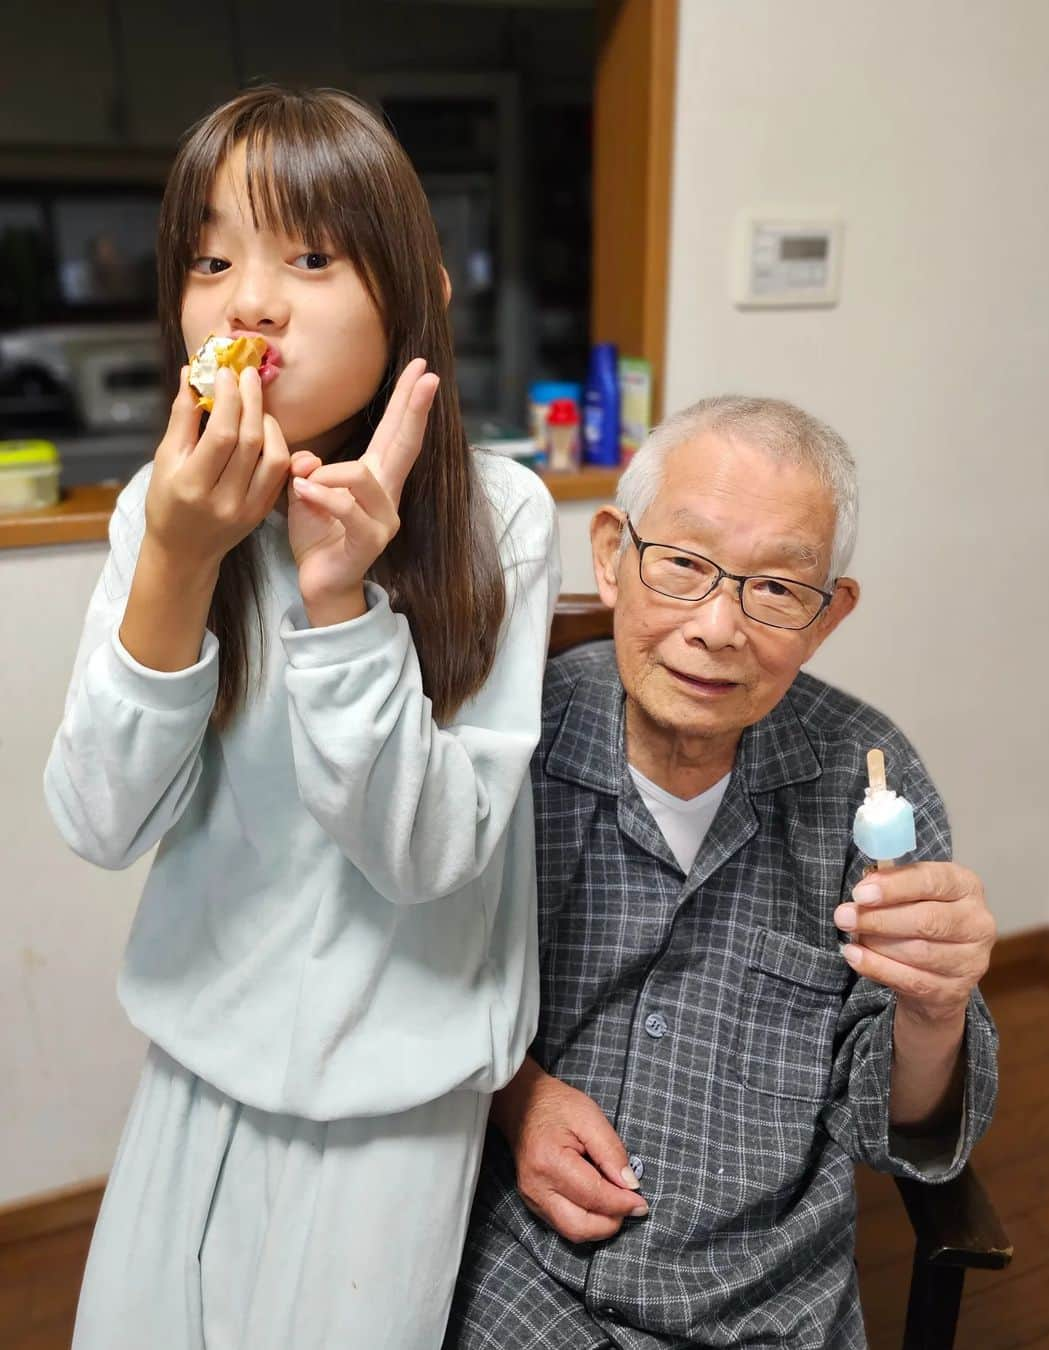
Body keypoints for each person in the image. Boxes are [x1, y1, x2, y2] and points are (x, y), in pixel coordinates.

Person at [45, 86, 559, 1350]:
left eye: (310, 258)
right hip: (198, 1057)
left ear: (414, 290)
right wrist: (174, 559)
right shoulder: (158, 515)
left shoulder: (500, 519)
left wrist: (341, 607)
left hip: (400, 1089)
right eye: (212, 259)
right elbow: (99, 825)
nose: (248, 301)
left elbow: (432, 855)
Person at [446, 396, 998, 1350]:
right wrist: (517, 1095)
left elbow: (894, 1125)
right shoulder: (506, 743)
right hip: (518, 1282)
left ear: (828, 617)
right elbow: (412, 983)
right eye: (686, 564)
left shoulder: (870, 783)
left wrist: (936, 1010)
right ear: (613, 555)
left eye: (777, 588)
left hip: (764, 1311)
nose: (718, 626)